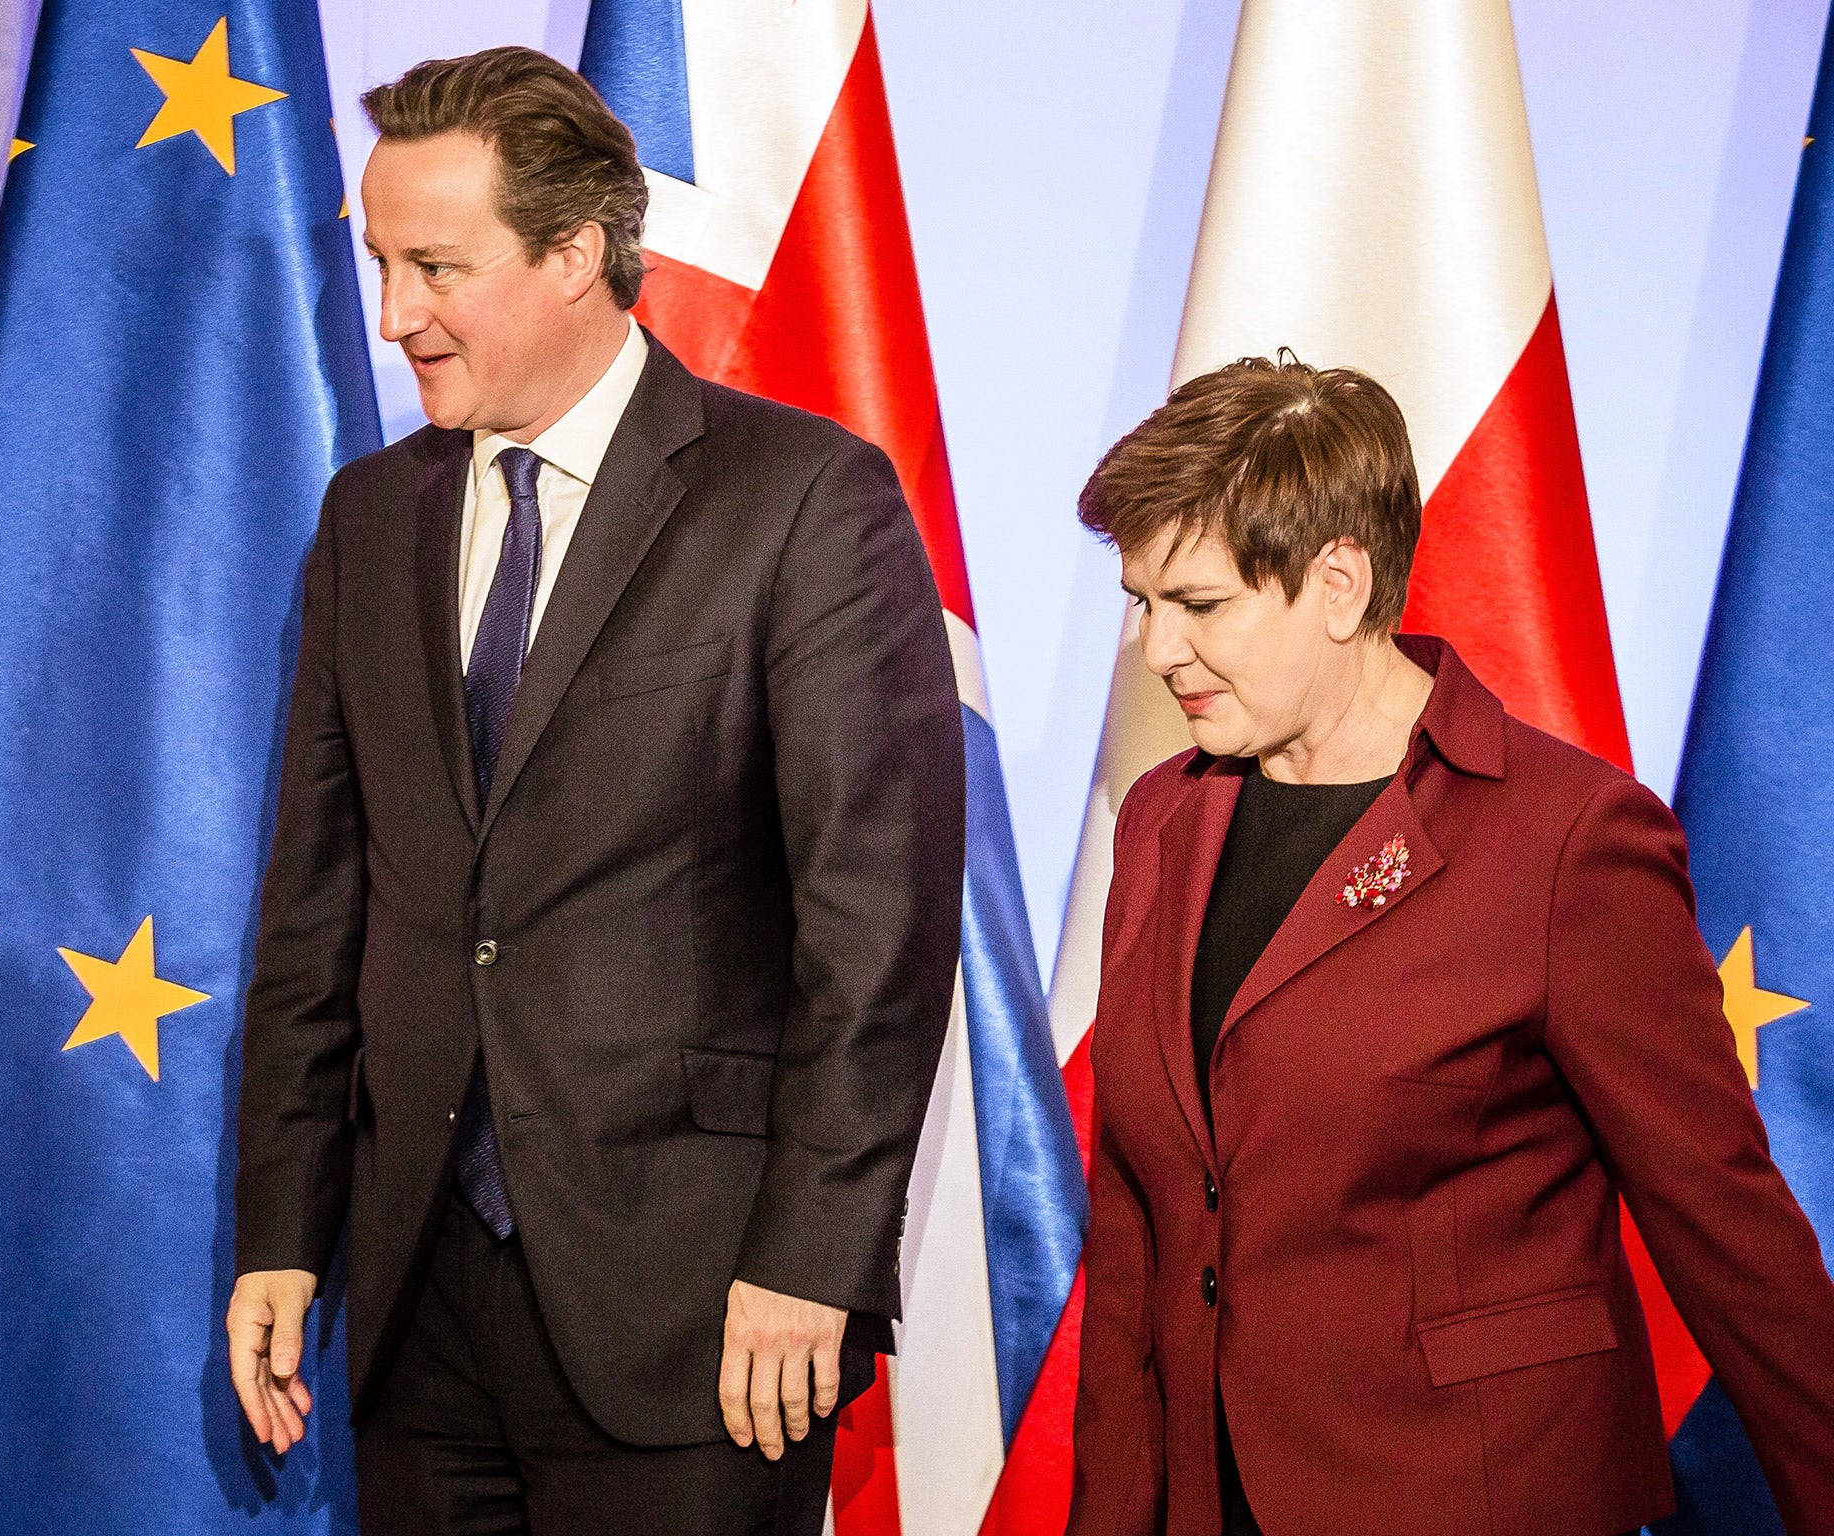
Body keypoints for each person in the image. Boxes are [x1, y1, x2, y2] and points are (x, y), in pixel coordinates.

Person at [224, 48, 964, 1536]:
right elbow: (318, 908)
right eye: (382, 266)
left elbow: (875, 929)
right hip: (417, 1306)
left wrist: (812, 1257)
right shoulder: (368, 517)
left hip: (703, 1312)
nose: (393, 315)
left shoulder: (801, 498)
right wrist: (282, 1234)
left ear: (574, 254)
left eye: (436, 267)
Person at [1066, 355, 1834, 1536]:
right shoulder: (1164, 817)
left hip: (1471, 1491)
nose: (1157, 648)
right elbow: (1138, 1228)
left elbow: (1723, 1226)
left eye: (1198, 605)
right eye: (1140, 602)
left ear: (1336, 584)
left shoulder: (1564, 840)